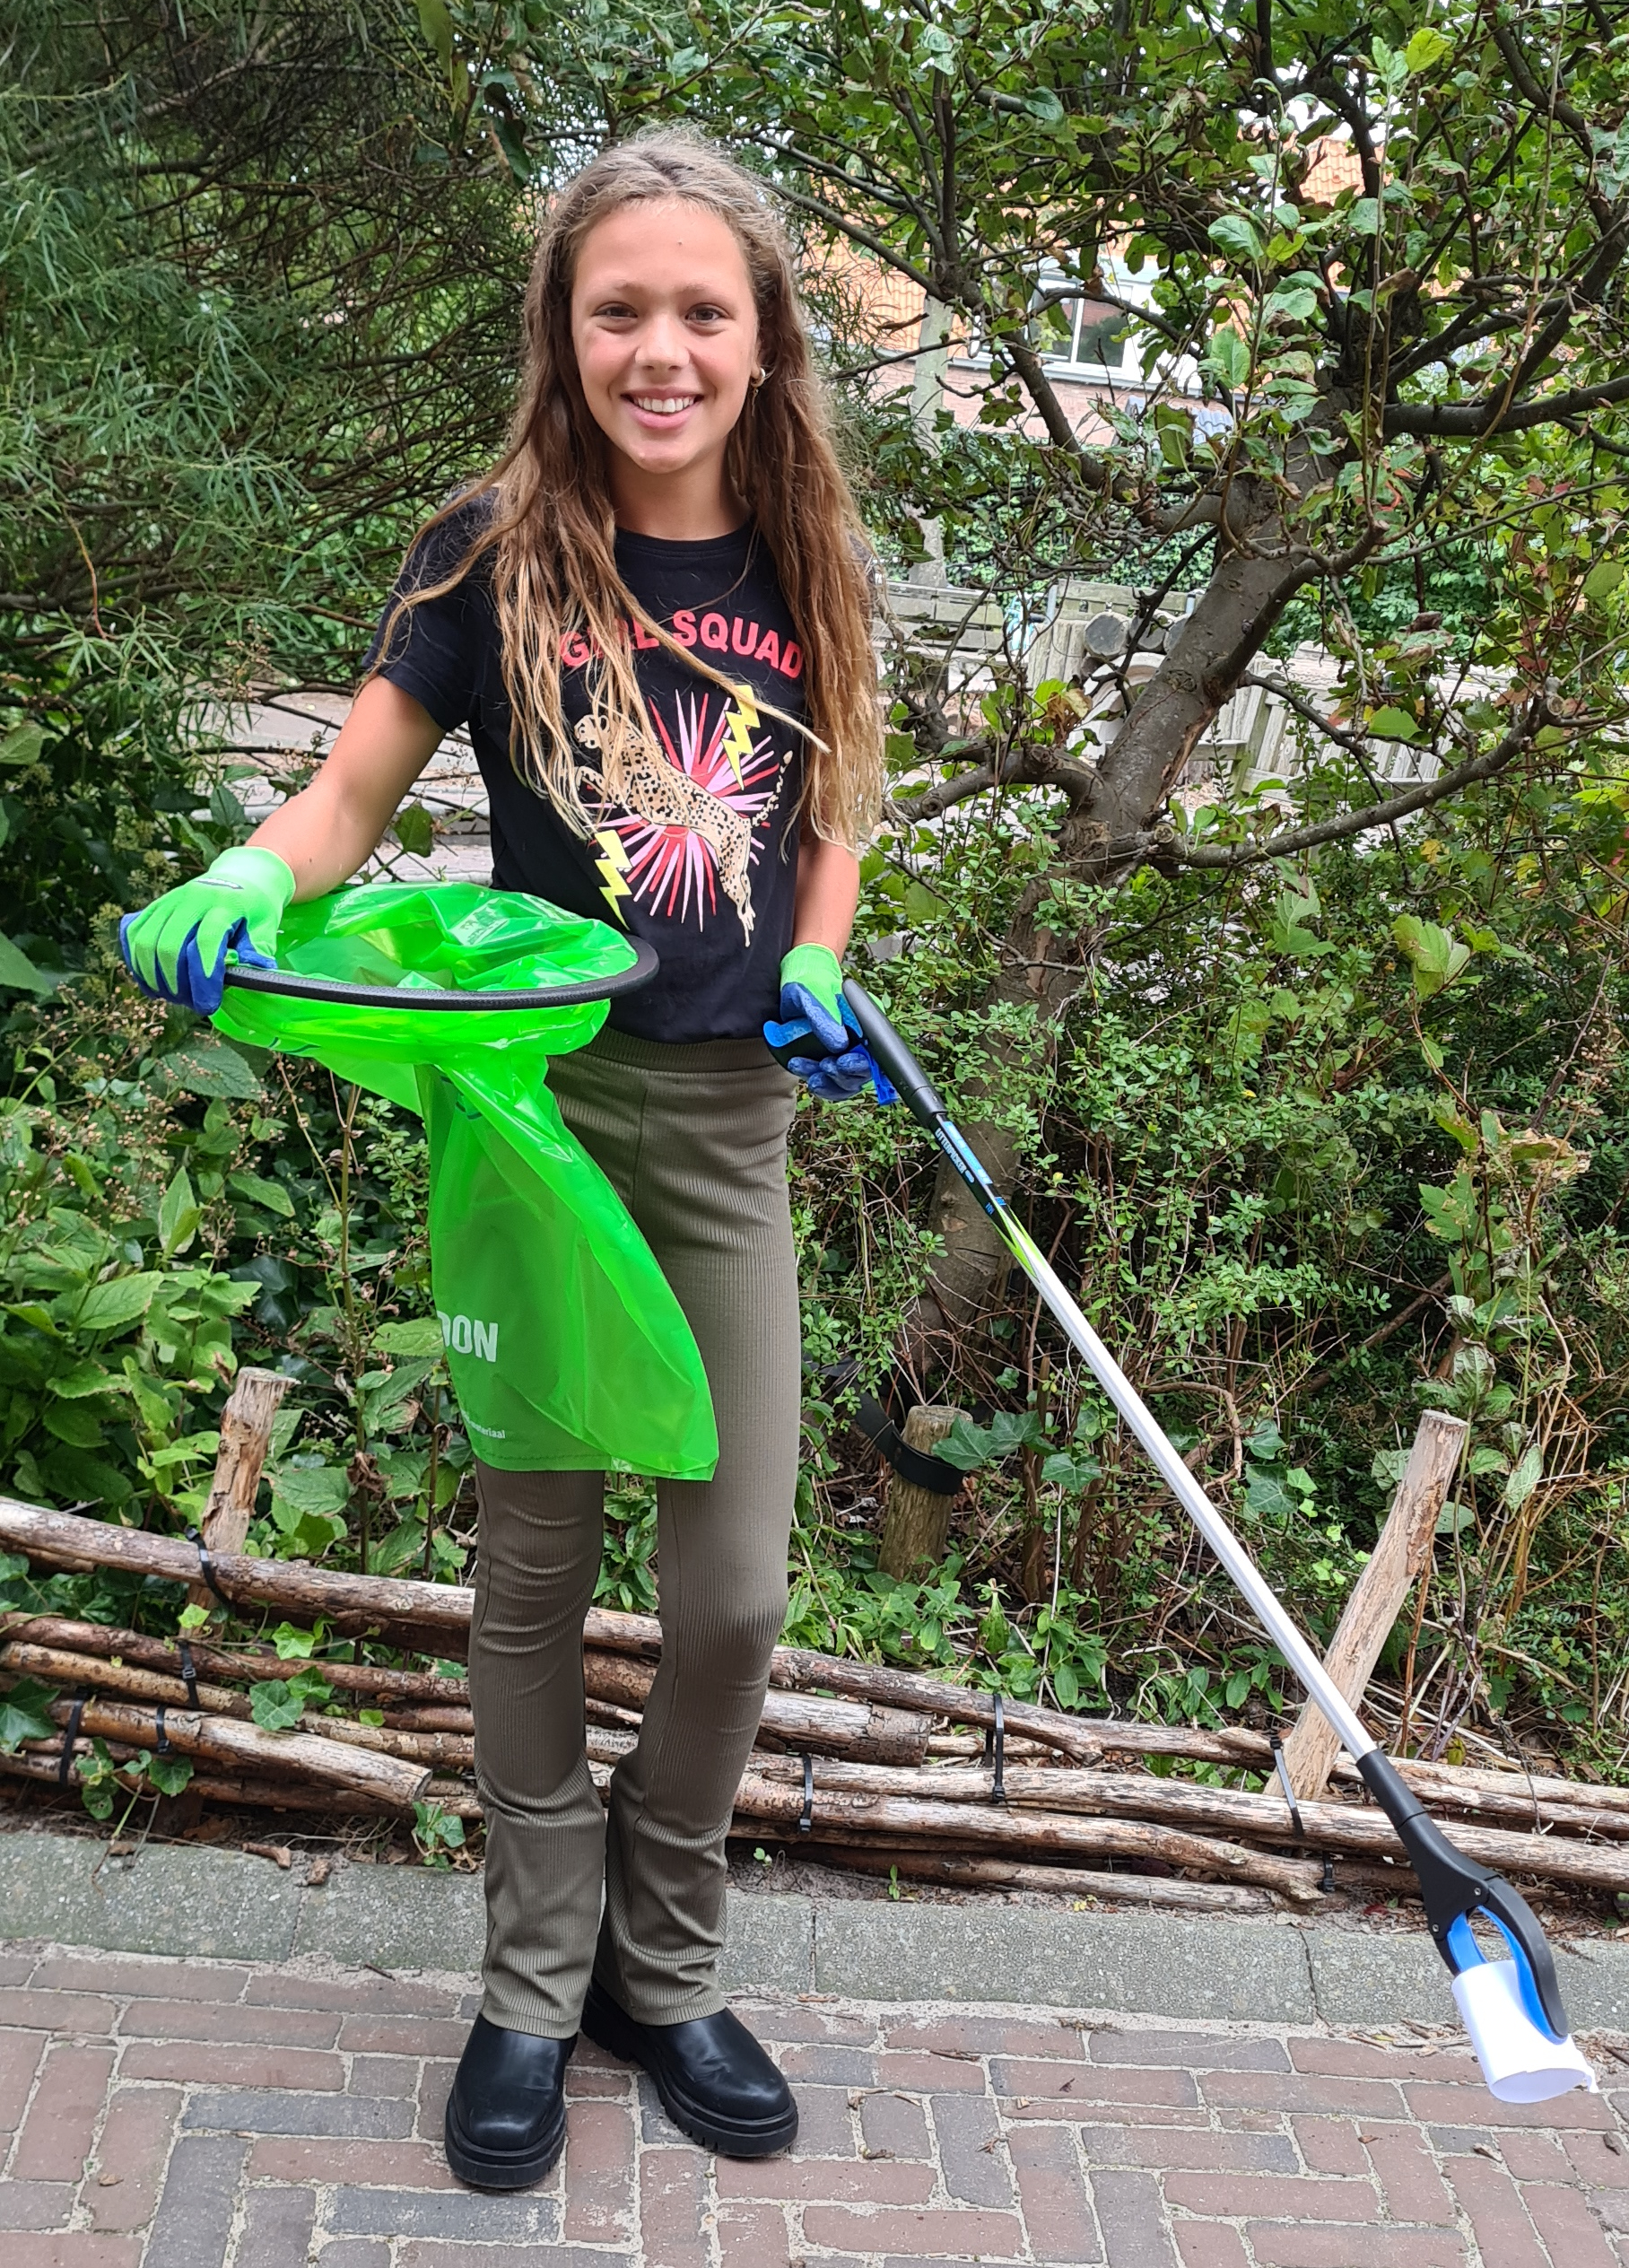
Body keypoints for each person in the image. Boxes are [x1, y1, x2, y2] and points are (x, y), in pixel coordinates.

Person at [119, 131, 888, 2185]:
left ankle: (665, 1956)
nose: (659, 347)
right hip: (528, 1116)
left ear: (760, 335)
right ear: (563, 327)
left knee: (726, 1597)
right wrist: (243, 876)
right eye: (616, 307)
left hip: (724, 1128)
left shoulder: (809, 540)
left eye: (699, 310)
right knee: (532, 1576)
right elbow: (348, 790)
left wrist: (817, 961)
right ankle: (534, 1981)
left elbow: (834, 808)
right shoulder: (492, 547)